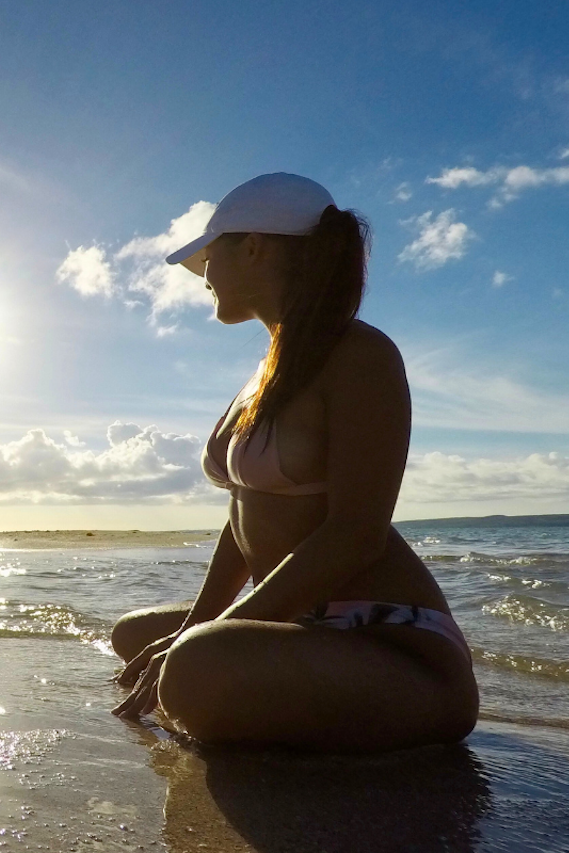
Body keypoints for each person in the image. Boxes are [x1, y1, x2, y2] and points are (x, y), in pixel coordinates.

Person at [110, 174, 478, 752]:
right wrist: (199, 622)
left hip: (392, 647)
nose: (204, 277)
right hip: (303, 626)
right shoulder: (267, 369)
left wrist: (214, 636)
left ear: (253, 245)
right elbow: (244, 510)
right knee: (133, 633)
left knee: (194, 667)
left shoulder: (361, 355)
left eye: (210, 256)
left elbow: (358, 534)